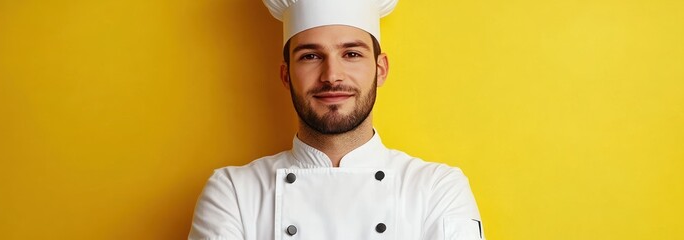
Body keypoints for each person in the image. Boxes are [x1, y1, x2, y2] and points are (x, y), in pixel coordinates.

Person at [188, 0, 484, 239]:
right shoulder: (234, 192)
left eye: (352, 53)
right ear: (286, 75)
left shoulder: (437, 189)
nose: (332, 76)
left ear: (380, 70)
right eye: (310, 56)